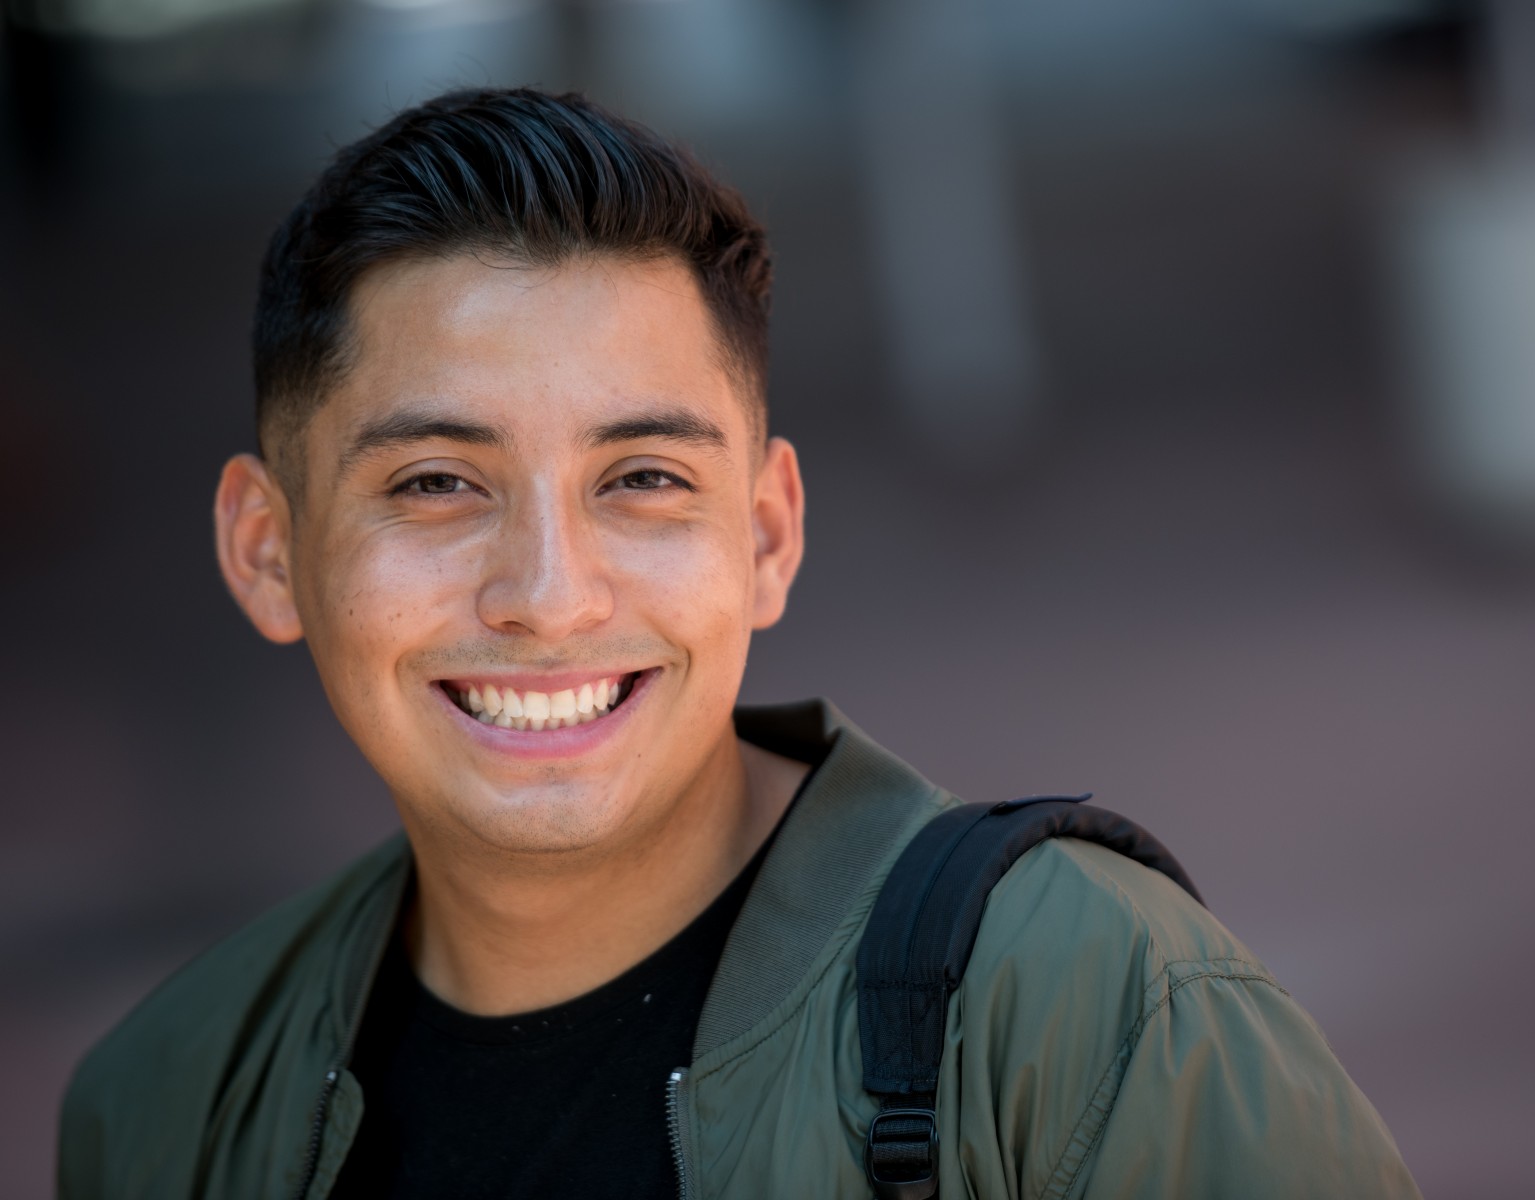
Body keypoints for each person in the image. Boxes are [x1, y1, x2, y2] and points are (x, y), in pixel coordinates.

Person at [56, 87, 1421, 1199]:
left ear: (765, 535)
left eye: (642, 478)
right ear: (268, 550)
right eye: (434, 484)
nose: (550, 595)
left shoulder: (1088, 1014)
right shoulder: (170, 1103)